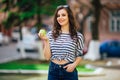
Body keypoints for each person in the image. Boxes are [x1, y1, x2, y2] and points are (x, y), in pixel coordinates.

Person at [38, 5, 84, 80]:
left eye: (63, 15)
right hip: (53, 71)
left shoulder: (78, 36)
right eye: (58, 15)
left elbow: (79, 54)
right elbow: (47, 57)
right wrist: (46, 41)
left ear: (69, 17)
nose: (60, 18)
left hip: (69, 71)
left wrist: (74, 65)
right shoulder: (50, 34)